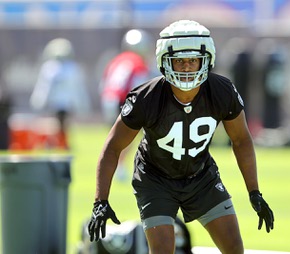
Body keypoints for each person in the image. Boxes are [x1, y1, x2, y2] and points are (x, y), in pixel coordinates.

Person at [88, 20, 274, 253]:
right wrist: (100, 201)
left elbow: (241, 140)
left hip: (201, 177)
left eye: (193, 60)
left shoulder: (221, 91)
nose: (186, 68)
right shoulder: (147, 97)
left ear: (206, 60)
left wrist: (254, 191)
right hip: (155, 180)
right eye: (179, 61)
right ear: (164, 62)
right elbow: (112, 147)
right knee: (163, 250)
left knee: (235, 249)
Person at [99, 29, 152, 181]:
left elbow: (105, 82)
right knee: (129, 136)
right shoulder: (138, 62)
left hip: (109, 98)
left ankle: (116, 166)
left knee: (117, 136)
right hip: (125, 99)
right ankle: (120, 167)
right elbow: (139, 87)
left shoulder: (116, 60)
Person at [30, 38, 90, 149]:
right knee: (58, 125)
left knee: (61, 125)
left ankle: (59, 143)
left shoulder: (65, 68)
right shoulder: (53, 68)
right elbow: (44, 87)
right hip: (60, 103)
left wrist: (39, 100)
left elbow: (77, 89)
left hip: (62, 104)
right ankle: (57, 143)